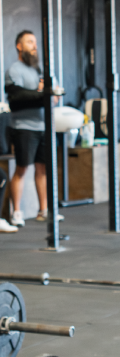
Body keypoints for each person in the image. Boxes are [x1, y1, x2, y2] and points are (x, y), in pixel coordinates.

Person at [5, 31, 62, 227]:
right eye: (29, 42)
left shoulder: (41, 71)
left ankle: (43, 210)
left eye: (35, 42)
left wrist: (47, 94)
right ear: (19, 46)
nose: (34, 46)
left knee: (43, 169)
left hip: (44, 127)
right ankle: (17, 213)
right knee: (22, 169)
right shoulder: (14, 70)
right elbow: (16, 98)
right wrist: (41, 94)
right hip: (24, 127)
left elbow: (54, 97)